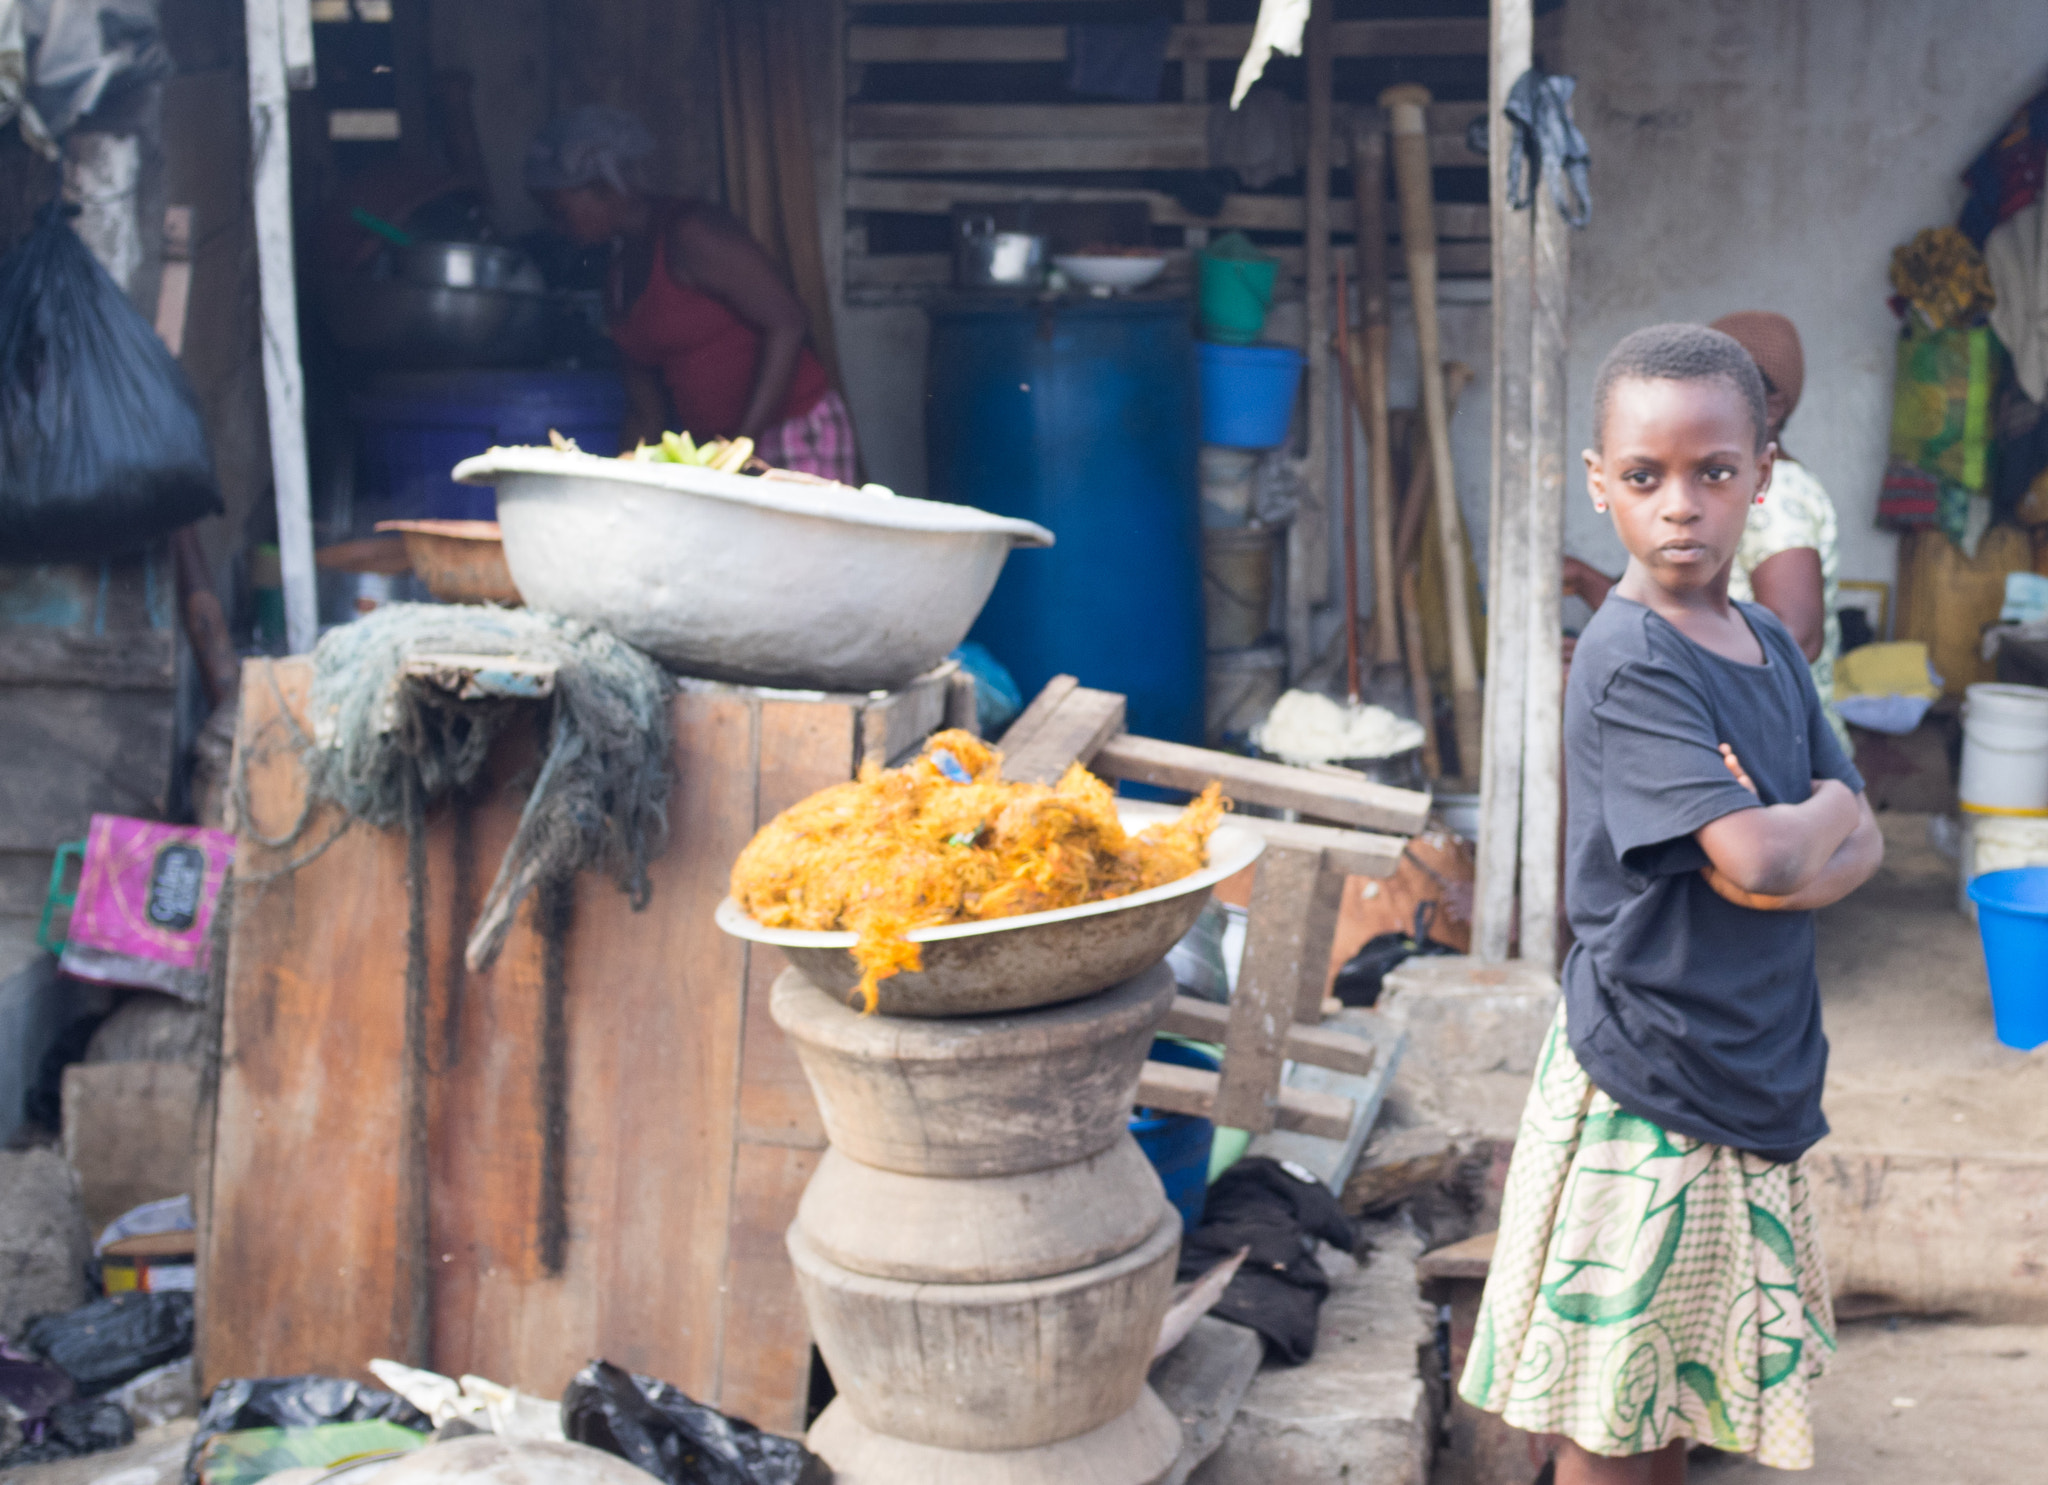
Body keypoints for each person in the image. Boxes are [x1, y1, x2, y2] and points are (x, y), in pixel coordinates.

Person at [1460, 324, 1884, 1483]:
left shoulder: (1763, 643)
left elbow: (1857, 832)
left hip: (1753, 1065)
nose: (1680, 506)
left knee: (1678, 1407)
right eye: (1643, 478)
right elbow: (1767, 861)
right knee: (1610, 1423)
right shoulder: (1629, 655)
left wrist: (1797, 836)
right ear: (1598, 487)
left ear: (1762, 473)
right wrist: (1799, 836)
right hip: (1648, 1079)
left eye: (1711, 472)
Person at [524, 106, 859, 483]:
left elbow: (788, 322)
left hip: (790, 431)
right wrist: (619, 479)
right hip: (723, 451)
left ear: (602, 187)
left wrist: (743, 442)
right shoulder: (617, 278)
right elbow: (645, 411)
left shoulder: (689, 234)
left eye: (558, 211)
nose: (557, 226)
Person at [1563, 312, 1849, 752]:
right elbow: (1677, 610)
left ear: (1771, 406)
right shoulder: (1725, 495)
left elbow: (1798, 634)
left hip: (1775, 748)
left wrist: (1654, 669)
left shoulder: (1780, 494)